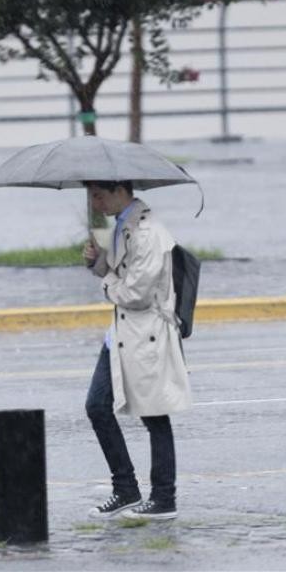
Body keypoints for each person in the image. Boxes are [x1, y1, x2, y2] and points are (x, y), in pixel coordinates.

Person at [82, 180, 192, 520]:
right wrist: (97, 261)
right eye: (91, 196)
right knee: (97, 406)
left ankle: (163, 498)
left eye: (99, 195)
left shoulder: (148, 233)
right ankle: (126, 489)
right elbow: (120, 273)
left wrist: (105, 281)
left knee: (155, 415)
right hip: (122, 333)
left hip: (147, 335)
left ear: (120, 190)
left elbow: (135, 294)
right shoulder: (125, 225)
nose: (95, 202)